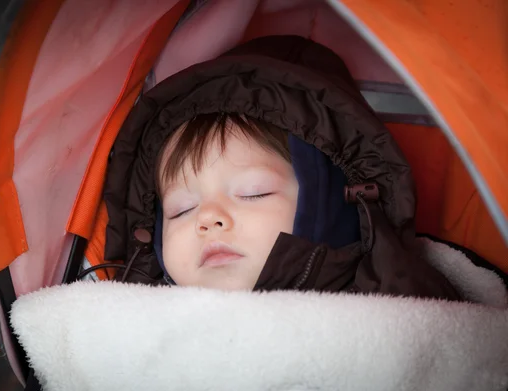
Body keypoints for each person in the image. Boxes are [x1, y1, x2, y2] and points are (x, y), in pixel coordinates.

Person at [104, 35, 462, 300]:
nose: (209, 217)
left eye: (253, 192)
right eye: (180, 210)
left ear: (333, 204)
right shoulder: (128, 322)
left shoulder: (399, 309)